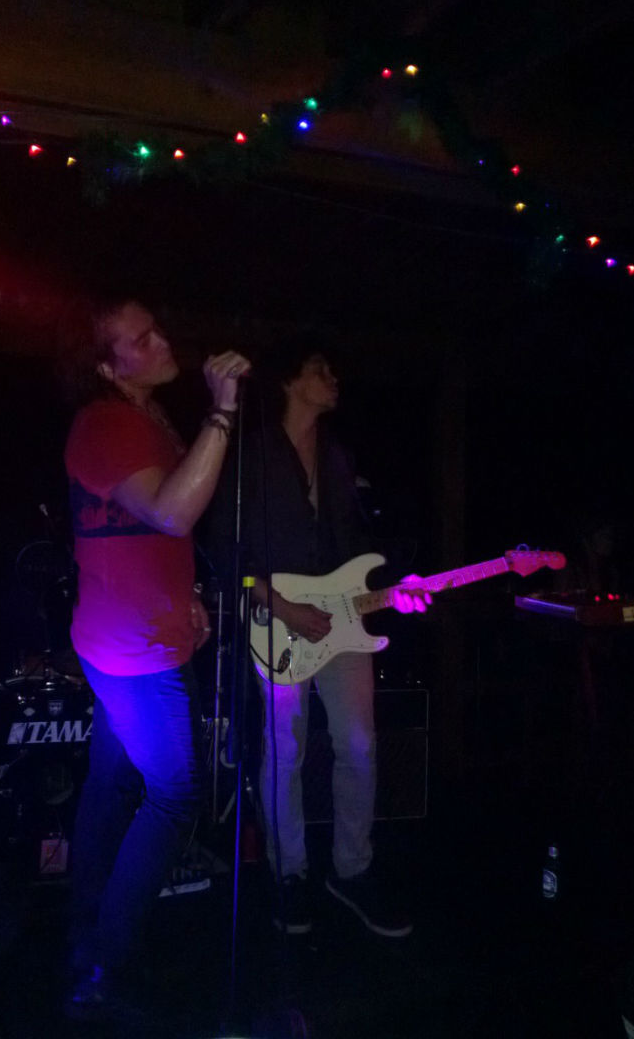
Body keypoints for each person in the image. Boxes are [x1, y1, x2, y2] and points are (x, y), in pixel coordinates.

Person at [63, 298, 250, 1024]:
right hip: (134, 651)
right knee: (174, 795)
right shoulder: (106, 423)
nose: (162, 340)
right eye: (141, 340)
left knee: (112, 785)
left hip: (133, 636)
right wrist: (223, 411)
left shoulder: (144, 422)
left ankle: (86, 939)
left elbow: (149, 531)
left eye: (156, 329)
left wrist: (190, 593)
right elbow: (173, 512)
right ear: (110, 368)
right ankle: (105, 963)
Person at [209, 336, 429, 938]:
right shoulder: (251, 455)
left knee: (359, 745)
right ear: (289, 381)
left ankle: (352, 869)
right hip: (276, 621)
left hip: (343, 623)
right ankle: (290, 873)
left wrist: (396, 585)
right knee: (286, 752)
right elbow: (227, 552)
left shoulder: (338, 456)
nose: (333, 379)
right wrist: (281, 605)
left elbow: (356, 548)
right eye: (319, 369)